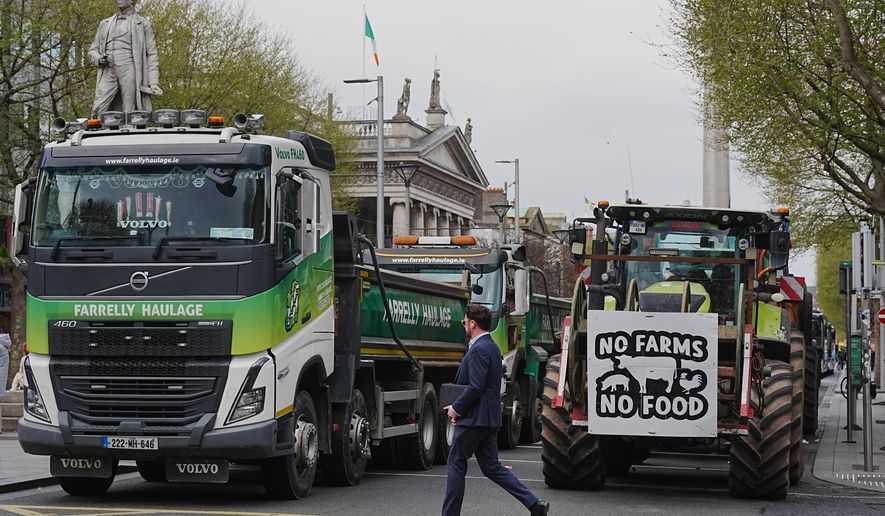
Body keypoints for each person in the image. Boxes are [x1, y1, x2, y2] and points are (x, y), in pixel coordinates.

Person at [442, 304, 549, 516]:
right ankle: (534, 505)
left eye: (465, 321)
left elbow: (476, 386)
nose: (464, 324)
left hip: (475, 420)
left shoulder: (479, 349)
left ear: (472, 324)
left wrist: (456, 408)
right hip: (489, 419)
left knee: (456, 463)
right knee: (492, 467)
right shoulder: (491, 346)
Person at [89, 0, 162, 115]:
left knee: (129, 111)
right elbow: (93, 49)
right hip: (108, 69)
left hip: (129, 67)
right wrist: (98, 58)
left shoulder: (143, 24)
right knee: (97, 109)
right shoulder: (105, 23)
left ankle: (129, 131)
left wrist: (153, 82)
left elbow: (152, 55)